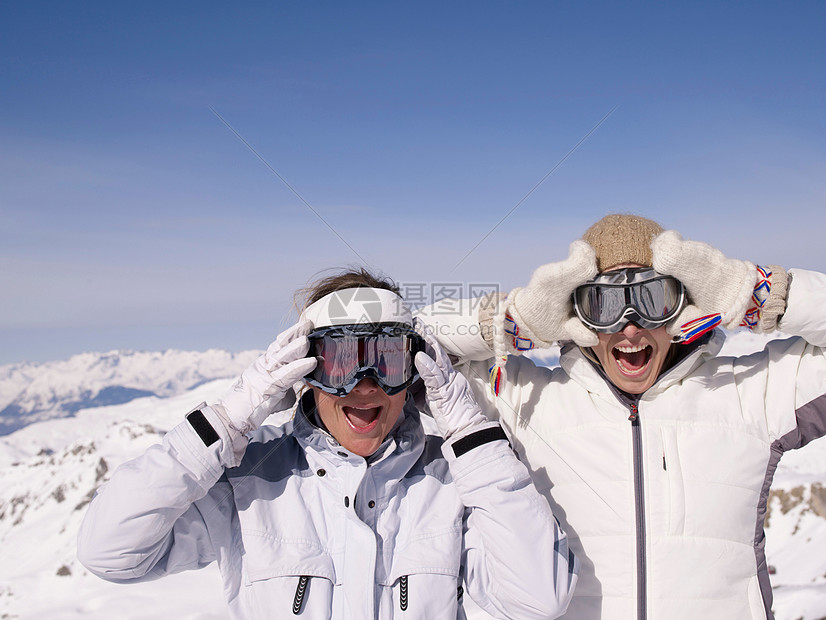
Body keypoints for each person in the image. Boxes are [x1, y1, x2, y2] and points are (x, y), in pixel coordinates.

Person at [76, 268, 578, 620]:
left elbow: (540, 600)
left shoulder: (450, 484)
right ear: (307, 374)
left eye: (387, 360)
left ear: (415, 374)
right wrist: (228, 420)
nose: (365, 384)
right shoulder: (251, 484)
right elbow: (110, 551)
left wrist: (470, 434)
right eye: (339, 361)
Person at [416, 214, 826, 619]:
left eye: (653, 300)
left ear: (683, 308)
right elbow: (415, 347)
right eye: (603, 304)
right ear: (577, 320)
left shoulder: (750, 393)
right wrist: (513, 322)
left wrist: (754, 293)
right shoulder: (528, 401)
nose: (630, 328)